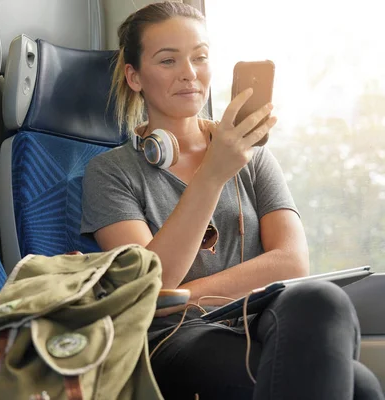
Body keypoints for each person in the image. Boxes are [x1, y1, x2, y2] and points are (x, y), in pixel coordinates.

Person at [80, 2, 384, 399]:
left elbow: (292, 261)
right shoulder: (110, 172)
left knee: (322, 299)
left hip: (254, 320)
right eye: (168, 60)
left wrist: (191, 295)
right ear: (134, 76)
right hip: (173, 337)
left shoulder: (252, 155)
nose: (189, 73)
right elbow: (150, 288)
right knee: (358, 387)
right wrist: (213, 175)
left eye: (200, 57)